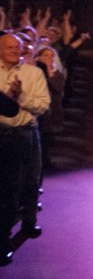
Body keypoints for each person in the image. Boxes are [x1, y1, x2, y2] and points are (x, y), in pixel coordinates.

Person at [0, 32, 50, 262]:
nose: (13, 51)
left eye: (16, 47)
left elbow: (42, 106)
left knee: (30, 183)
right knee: (7, 190)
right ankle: (3, 241)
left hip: (25, 134)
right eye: (8, 47)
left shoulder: (33, 73)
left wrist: (20, 98)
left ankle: (29, 223)